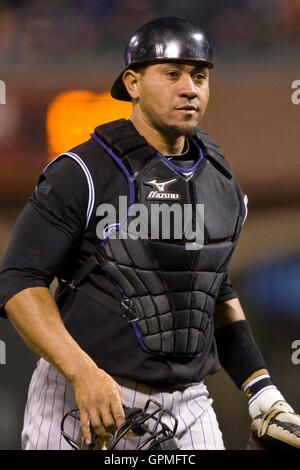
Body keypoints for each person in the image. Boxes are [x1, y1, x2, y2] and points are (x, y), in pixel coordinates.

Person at [0, 16, 294, 451]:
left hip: (187, 402)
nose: (189, 88)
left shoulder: (222, 182)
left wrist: (263, 393)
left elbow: (212, 289)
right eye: (172, 74)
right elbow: (19, 281)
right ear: (133, 83)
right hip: (82, 394)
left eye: (199, 75)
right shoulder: (83, 172)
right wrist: (82, 372)